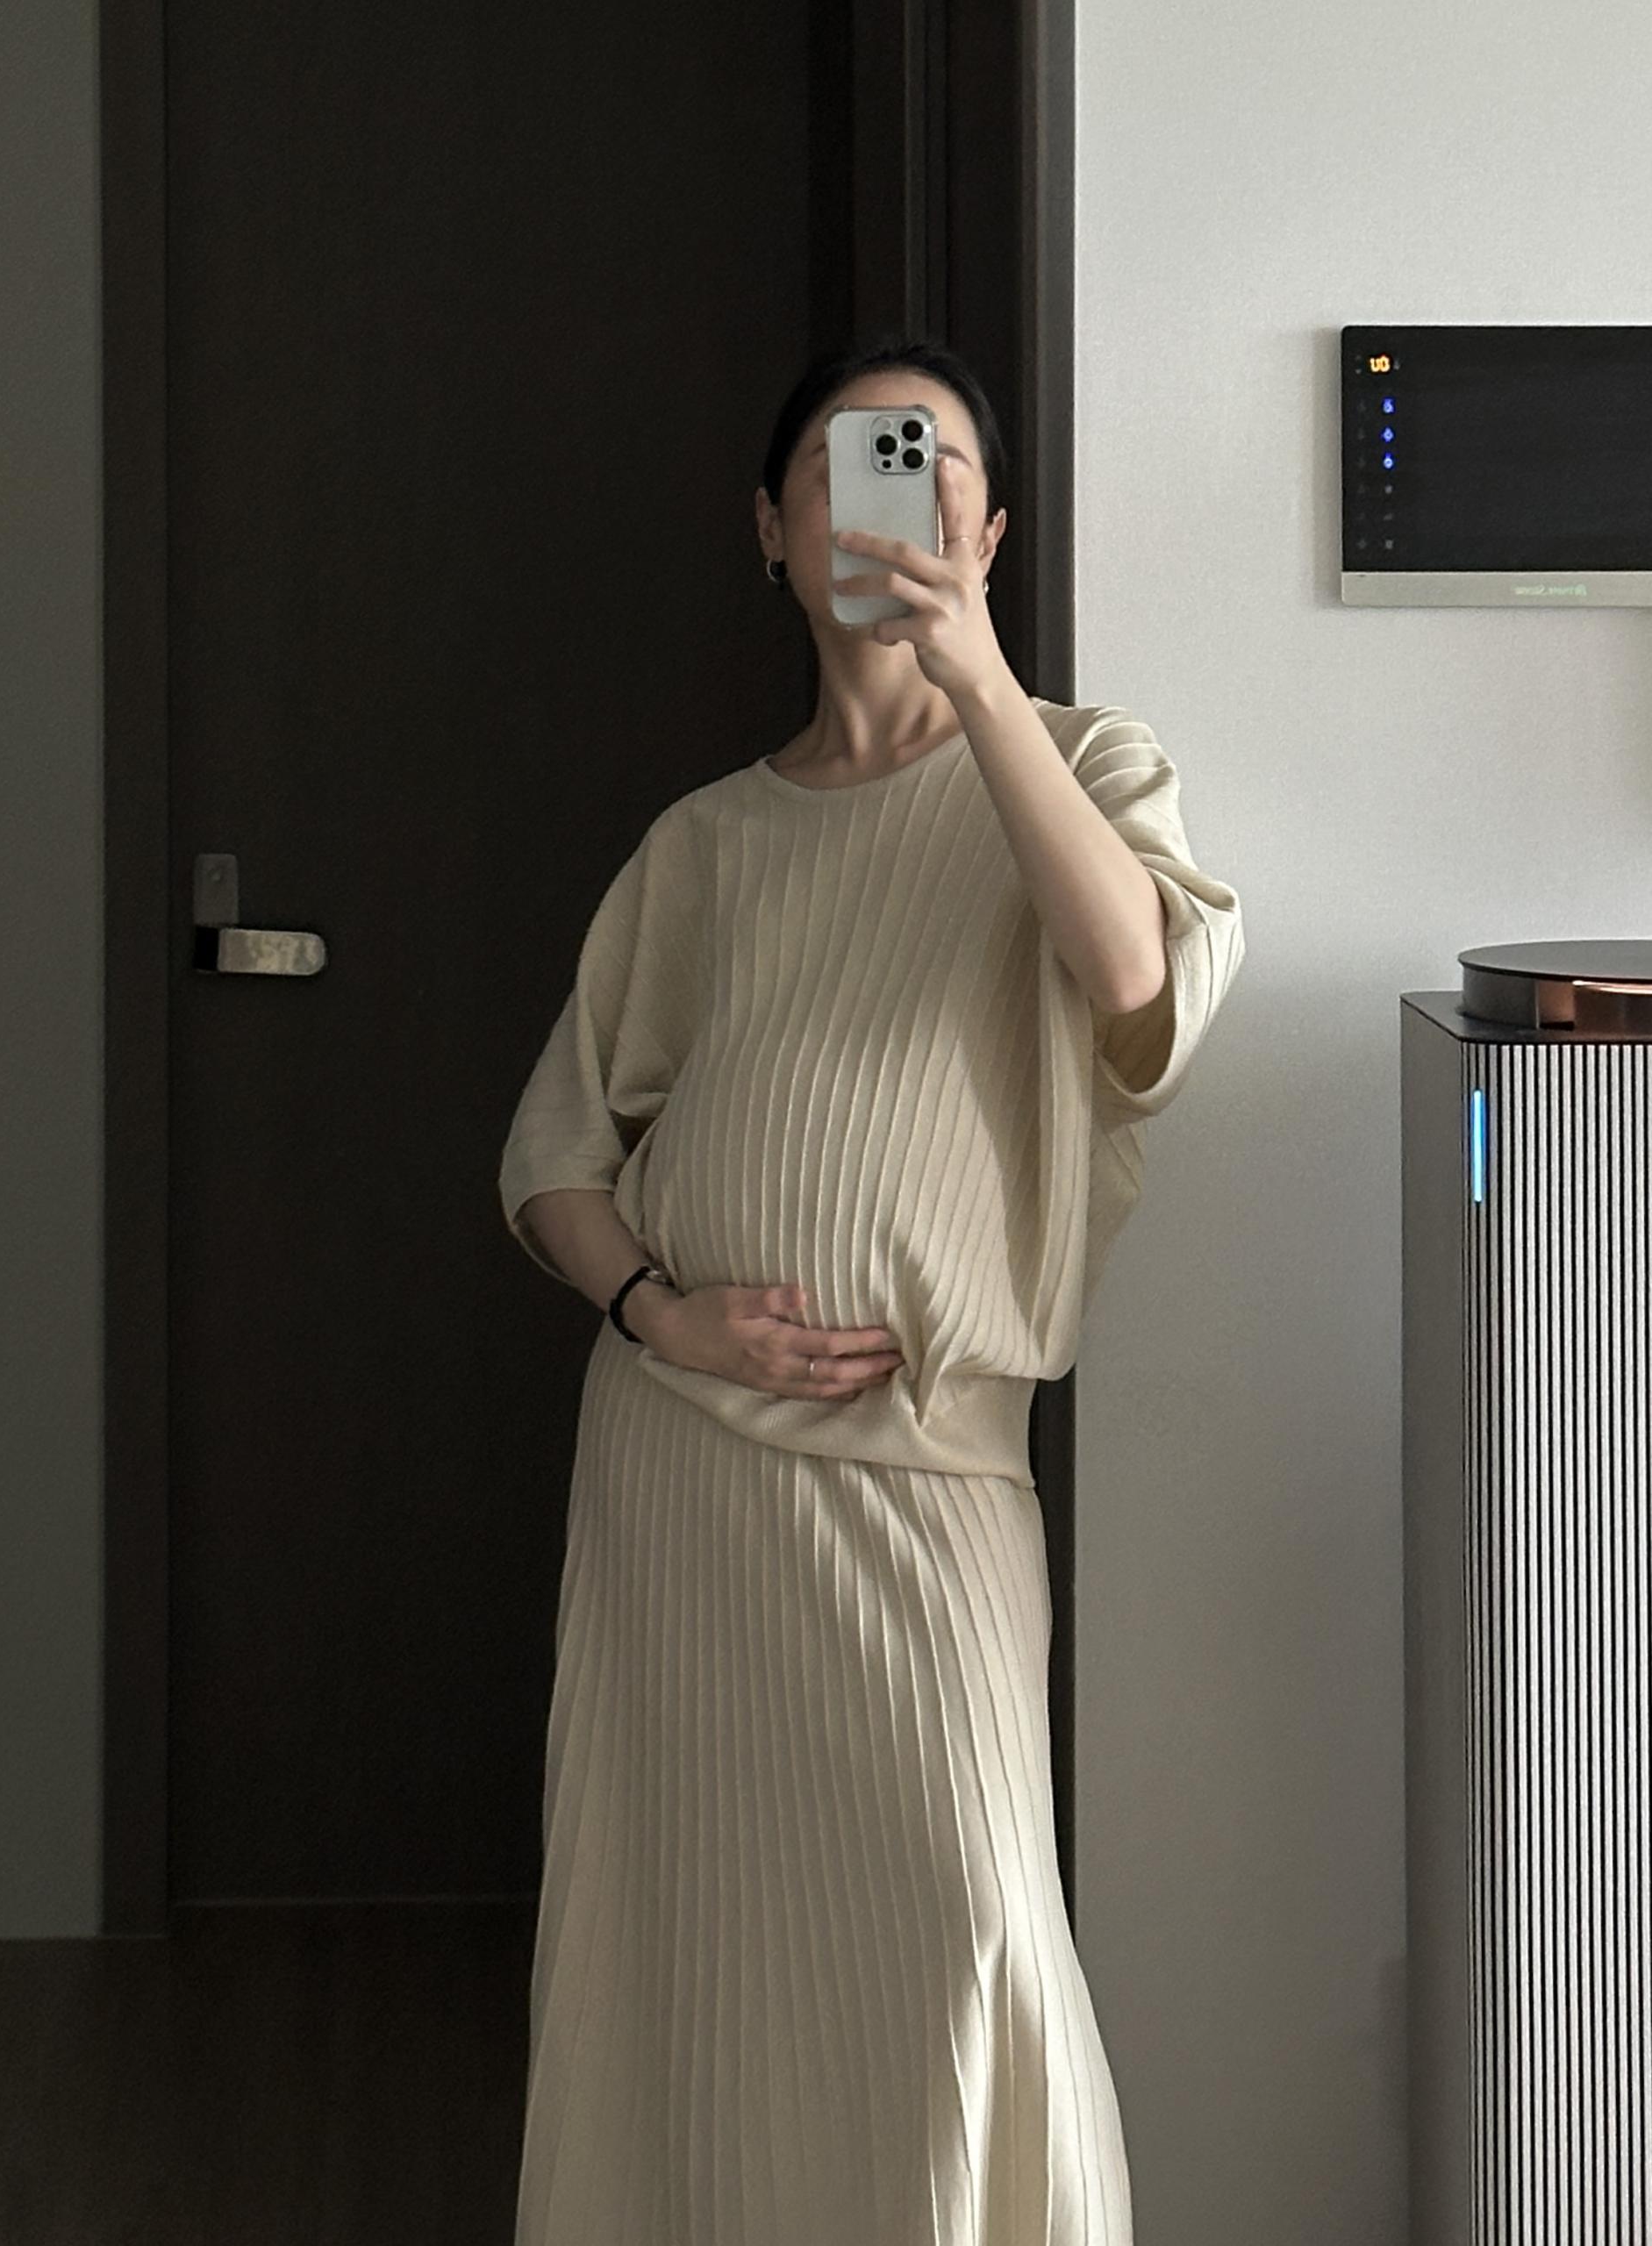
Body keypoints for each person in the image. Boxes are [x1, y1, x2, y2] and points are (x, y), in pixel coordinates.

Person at [497, 332, 1246, 2245]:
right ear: (771, 527)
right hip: (682, 1477)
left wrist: (974, 679)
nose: (879, 499)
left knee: (968, 1929)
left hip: (923, 1477)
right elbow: (556, 1158)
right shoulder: (705, 844)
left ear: (984, 531)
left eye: (925, 466)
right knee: (680, 1966)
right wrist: (660, 1310)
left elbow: (1140, 991)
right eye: (838, 466)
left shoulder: (1085, 763)